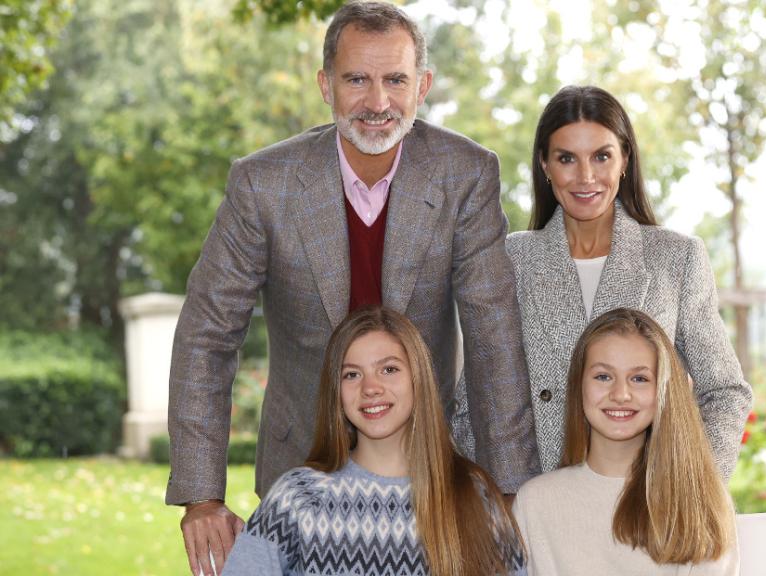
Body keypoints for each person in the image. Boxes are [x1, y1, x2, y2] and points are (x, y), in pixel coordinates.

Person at [168, 3, 540, 575]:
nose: (376, 102)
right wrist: (202, 494)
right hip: (301, 462)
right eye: (356, 80)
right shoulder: (262, 184)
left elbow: (495, 336)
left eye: (395, 80)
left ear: (423, 86)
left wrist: (511, 490)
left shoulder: (466, 173)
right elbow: (207, 335)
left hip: (428, 472)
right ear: (325, 85)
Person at [454, 85, 751, 475]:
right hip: (537, 508)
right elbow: (473, 402)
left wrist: (692, 491)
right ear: (544, 164)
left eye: (601, 156)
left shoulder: (675, 259)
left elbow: (725, 391)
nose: (585, 176)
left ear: (625, 158)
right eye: (566, 158)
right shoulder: (511, 261)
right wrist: (506, 502)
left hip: (647, 505)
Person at [222, 307, 526, 575]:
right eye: (351, 375)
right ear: (336, 394)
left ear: (418, 380)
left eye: (389, 369)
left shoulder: (474, 494)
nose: (370, 387)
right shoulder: (297, 498)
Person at [512, 308, 738, 575]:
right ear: (579, 384)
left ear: (663, 390)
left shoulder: (699, 500)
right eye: (603, 376)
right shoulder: (534, 502)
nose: (620, 394)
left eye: (639, 379)